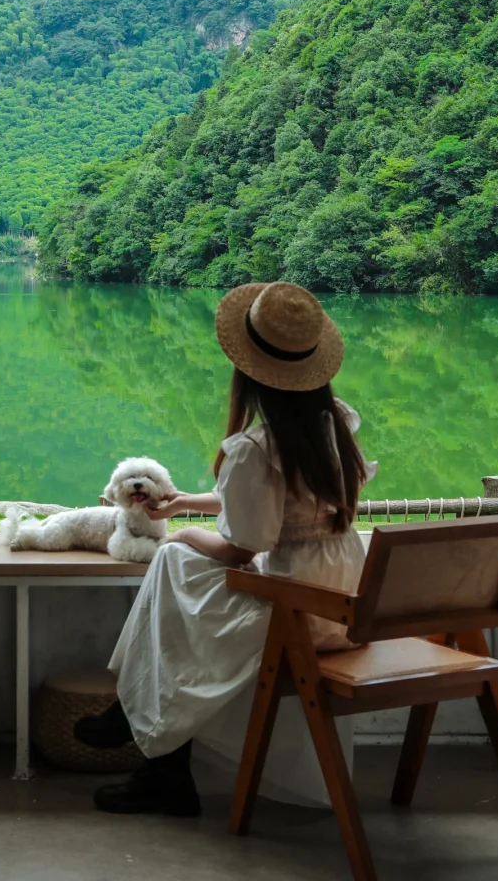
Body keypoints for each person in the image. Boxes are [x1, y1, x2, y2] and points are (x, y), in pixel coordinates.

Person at [75, 280, 375, 817]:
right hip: (345, 595)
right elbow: (282, 508)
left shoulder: (254, 448)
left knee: (173, 560)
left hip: (299, 612)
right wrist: (185, 502)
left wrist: (183, 531)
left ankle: (149, 742)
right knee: (182, 583)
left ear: (249, 374)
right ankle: (141, 732)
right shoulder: (333, 424)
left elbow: (242, 547)